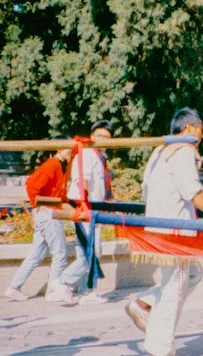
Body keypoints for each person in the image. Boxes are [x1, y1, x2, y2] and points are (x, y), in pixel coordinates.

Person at [124, 108, 203, 356]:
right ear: (188, 128)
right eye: (200, 128)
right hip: (175, 232)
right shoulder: (183, 149)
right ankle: (160, 349)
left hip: (158, 226)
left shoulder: (160, 149)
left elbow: (145, 189)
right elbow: (192, 191)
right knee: (175, 289)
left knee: (193, 274)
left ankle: (145, 302)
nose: (201, 134)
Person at [47, 119, 114, 304]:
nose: (102, 140)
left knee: (86, 251)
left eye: (106, 137)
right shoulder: (88, 154)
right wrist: (85, 209)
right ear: (91, 136)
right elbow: (83, 182)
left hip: (93, 210)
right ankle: (63, 282)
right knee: (91, 253)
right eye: (99, 136)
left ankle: (88, 291)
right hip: (85, 210)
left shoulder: (100, 157)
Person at [4, 140, 71, 302]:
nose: (71, 152)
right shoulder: (53, 165)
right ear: (60, 148)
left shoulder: (54, 165)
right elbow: (32, 185)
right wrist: (41, 202)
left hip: (43, 213)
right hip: (48, 213)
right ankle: (53, 291)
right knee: (60, 253)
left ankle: (14, 287)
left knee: (36, 254)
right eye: (69, 149)